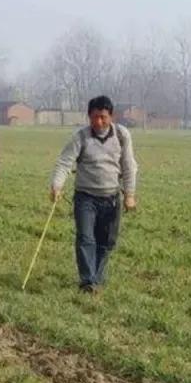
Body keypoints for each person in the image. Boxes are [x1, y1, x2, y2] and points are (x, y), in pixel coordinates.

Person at [50, 95, 138, 293]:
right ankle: (88, 281)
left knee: (107, 241)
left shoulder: (122, 135)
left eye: (103, 117)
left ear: (111, 117)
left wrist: (130, 195)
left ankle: (96, 278)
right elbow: (65, 162)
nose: (99, 122)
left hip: (112, 197)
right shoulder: (80, 137)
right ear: (88, 116)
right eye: (94, 117)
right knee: (85, 238)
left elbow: (129, 166)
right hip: (85, 197)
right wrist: (56, 186)